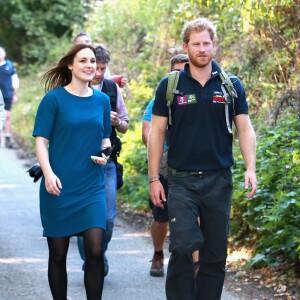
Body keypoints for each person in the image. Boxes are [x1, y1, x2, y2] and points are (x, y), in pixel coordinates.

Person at [148, 17, 257, 300]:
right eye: (195, 44)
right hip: (181, 180)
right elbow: (157, 133)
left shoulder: (230, 85)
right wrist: (153, 179)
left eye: (206, 43)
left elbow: (244, 127)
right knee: (183, 247)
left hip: (219, 179)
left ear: (214, 45)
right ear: (186, 47)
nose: (202, 49)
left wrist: (251, 168)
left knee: (215, 254)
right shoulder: (170, 85)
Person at [32, 43, 111, 300]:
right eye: (83, 60)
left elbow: (105, 141)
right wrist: (48, 173)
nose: (90, 65)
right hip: (59, 185)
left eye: (92, 61)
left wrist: (105, 155)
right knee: (58, 254)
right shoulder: (53, 100)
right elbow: (41, 141)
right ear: (70, 65)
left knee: (96, 250)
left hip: (92, 185)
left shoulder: (102, 100)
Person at [77, 44, 129, 277]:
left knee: (107, 218)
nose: (98, 72)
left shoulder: (112, 89)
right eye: (95, 67)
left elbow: (126, 125)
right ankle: (91, 258)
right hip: (80, 162)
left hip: (107, 162)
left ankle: (98, 253)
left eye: (102, 68)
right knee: (84, 218)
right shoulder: (75, 88)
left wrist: (117, 123)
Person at [142, 53, 189, 277]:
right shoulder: (159, 99)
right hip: (163, 167)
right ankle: (158, 253)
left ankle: (191, 266)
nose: (181, 75)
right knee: (161, 216)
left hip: (191, 166)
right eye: (177, 71)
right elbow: (146, 134)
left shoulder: (194, 96)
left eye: (185, 70)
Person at [0, 46, 19, 148]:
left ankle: (7, 136)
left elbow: (15, 80)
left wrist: (15, 94)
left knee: (7, 116)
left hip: (7, 94)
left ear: (4, 54)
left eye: (1, 52)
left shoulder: (9, 65)